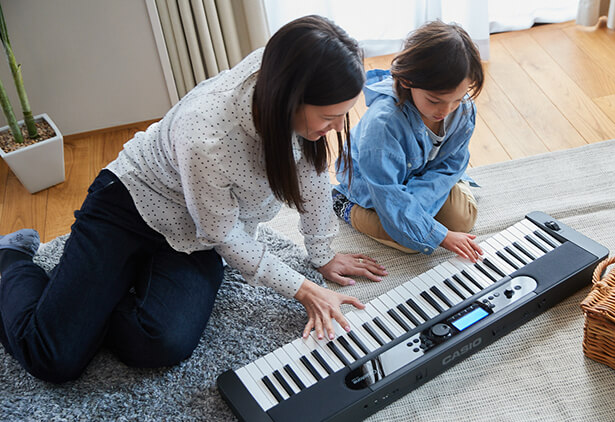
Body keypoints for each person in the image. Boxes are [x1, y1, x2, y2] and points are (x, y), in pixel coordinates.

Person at [0, 15, 386, 384]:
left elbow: (311, 172)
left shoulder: (290, 70)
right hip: (131, 204)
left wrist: (321, 253)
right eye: (331, 116)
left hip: (196, 234)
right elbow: (227, 238)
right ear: (289, 100)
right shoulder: (207, 134)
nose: (339, 126)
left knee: (160, 341)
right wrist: (304, 288)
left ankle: (94, 292)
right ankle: (11, 260)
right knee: (52, 356)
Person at [332, 20, 485, 262]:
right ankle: (345, 205)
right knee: (411, 242)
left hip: (422, 176)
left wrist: (419, 205)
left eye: (456, 99)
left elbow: (451, 165)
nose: (446, 110)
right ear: (407, 81)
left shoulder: (463, 109)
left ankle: (418, 214)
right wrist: (437, 234)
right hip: (375, 184)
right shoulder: (382, 125)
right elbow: (387, 191)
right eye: (434, 100)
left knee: (461, 219)